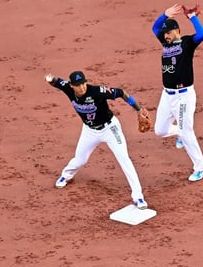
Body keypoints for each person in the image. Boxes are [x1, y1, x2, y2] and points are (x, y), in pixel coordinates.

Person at [44, 70, 148, 209]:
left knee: (124, 159)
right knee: (80, 159)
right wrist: (50, 79)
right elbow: (57, 82)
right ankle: (66, 175)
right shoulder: (68, 89)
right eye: (78, 85)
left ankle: (138, 196)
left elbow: (121, 92)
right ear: (72, 86)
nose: (81, 87)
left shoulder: (97, 91)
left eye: (83, 84)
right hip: (89, 131)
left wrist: (138, 109)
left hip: (110, 129)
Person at [152, 4, 203, 182]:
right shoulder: (164, 43)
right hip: (167, 95)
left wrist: (192, 17)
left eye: (168, 33)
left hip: (184, 96)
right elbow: (154, 27)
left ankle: (201, 167)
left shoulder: (187, 43)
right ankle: (179, 132)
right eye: (164, 34)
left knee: (187, 131)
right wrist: (164, 15)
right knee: (160, 131)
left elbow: (202, 34)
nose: (166, 36)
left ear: (176, 30)